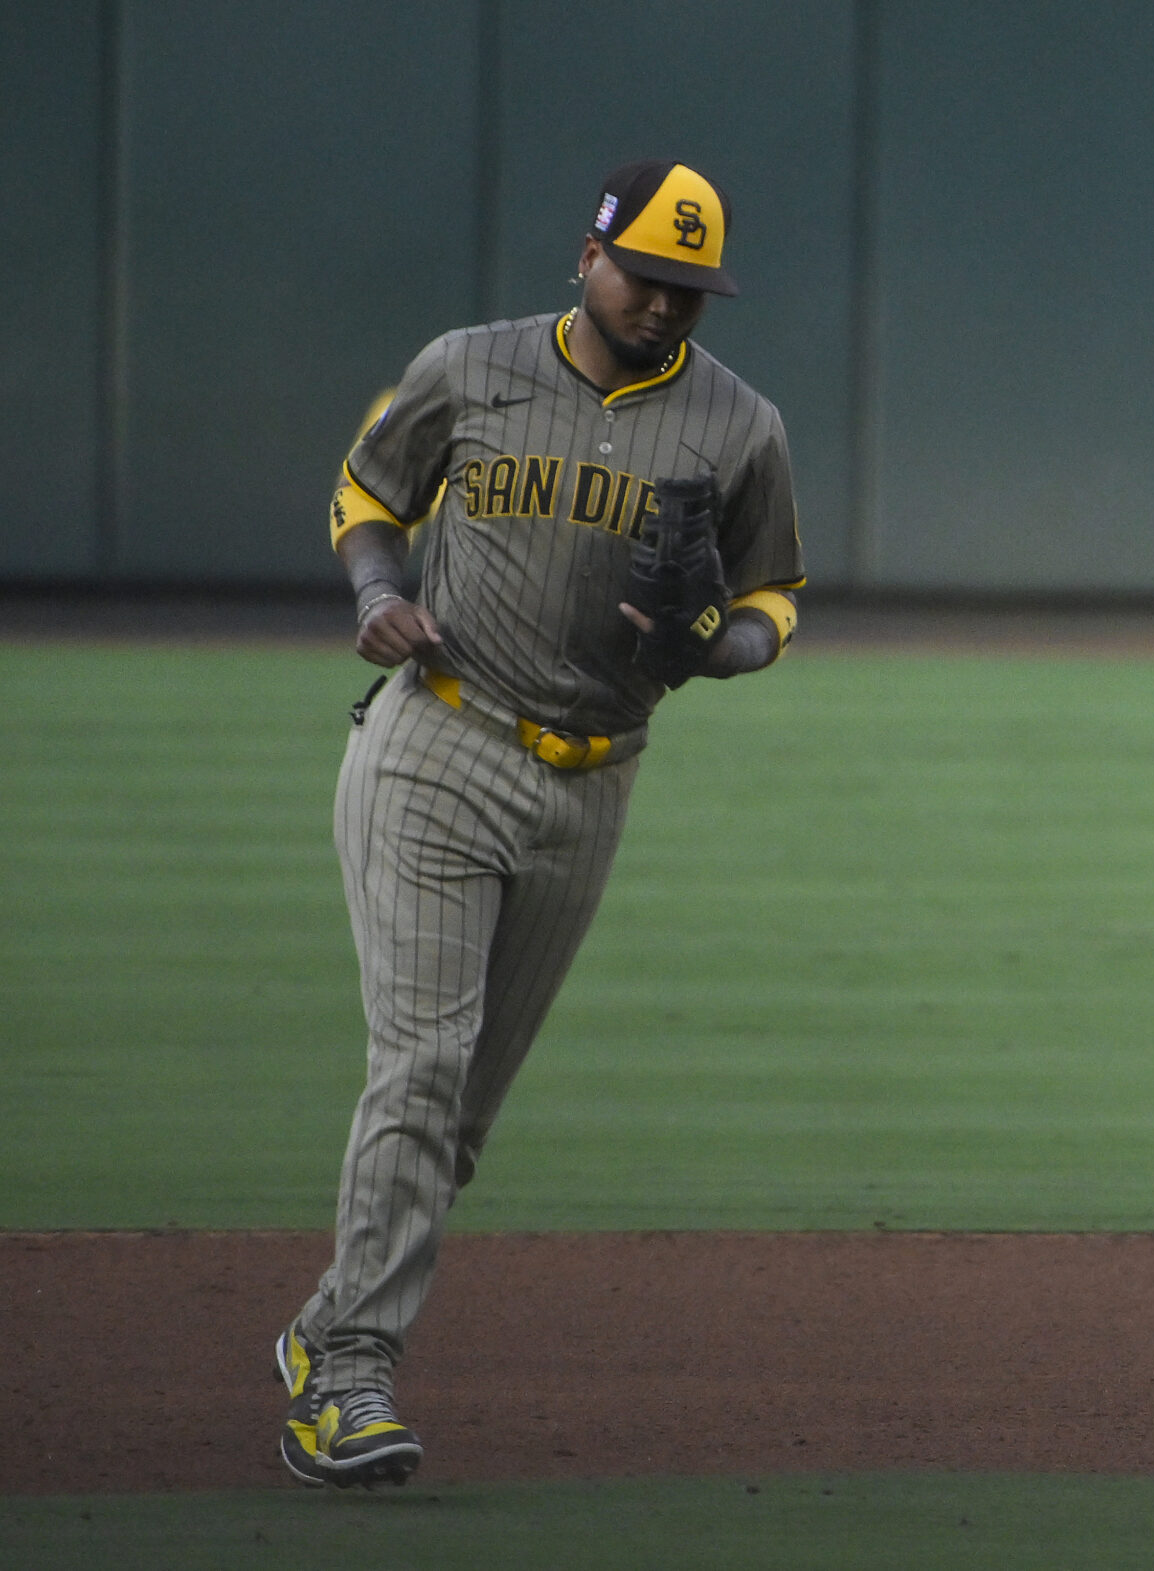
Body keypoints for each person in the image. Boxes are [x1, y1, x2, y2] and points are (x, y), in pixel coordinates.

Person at [276, 160, 806, 1485]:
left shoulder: (742, 426)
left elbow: (776, 597)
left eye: (694, 293)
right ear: (588, 256)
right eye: (648, 279)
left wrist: (713, 647)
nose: (668, 309)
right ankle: (346, 1381)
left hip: (595, 778)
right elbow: (364, 491)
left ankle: (320, 1326)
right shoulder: (470, 367)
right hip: (439, 736)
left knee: (458, 1117)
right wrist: (377, 588)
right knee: (423, 1055)